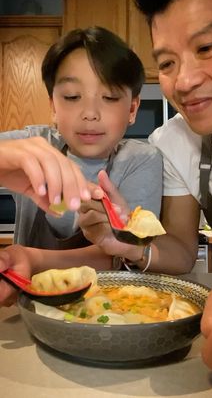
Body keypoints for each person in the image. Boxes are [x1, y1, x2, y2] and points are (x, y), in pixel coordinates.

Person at [77, 0, 212, 390]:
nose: (183, 81)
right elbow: (182, 251)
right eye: (167, 63)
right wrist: (125, 241)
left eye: (205, 48)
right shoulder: (172, 141)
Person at [0, 25, 162, 306]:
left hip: (107, 311)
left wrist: (30, 258)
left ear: (133, 109)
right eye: (72, 97)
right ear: (52, 104)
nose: (89, 114)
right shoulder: (35, 142)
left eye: (110, 97)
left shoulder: (140, 160)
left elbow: (115, 255)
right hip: (28, 312)